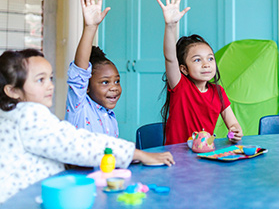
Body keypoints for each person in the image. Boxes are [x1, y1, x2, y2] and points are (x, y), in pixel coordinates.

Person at [0, 49, 175, 204]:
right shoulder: (28, 115)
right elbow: (76, 143)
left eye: (50, 78)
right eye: (40, 80)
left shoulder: (12, 114)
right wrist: (136, 153)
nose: (50, 85)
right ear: (12, 91)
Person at [156, 0, 243, 145]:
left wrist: (235, 131)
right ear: (183, 69)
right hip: (177, 158)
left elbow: (233, 125)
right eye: (197, 60)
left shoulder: (218, 92)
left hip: (205, 156)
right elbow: (170, 58)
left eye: (210, 58)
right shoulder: (180, 86)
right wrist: (170, 26)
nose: (206, 64)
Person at [65, 0, 120, 137]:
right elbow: (80, 72)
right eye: (105, 82)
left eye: (117, 81)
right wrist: (90, 28)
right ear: (86, 87)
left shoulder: (110, 115)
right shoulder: (79, 106)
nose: (114, 87)